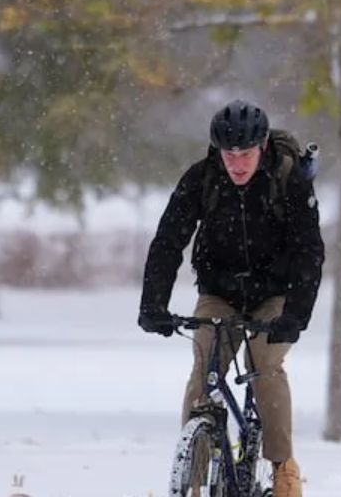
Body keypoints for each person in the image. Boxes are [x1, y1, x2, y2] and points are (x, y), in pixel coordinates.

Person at [137, 99, 324, 497]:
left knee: (264, 363)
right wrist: (152, 304)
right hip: (219, 292)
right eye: (229, 155)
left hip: (274, 295)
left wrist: (295, 315)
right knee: (205, 366)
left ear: (263, 148)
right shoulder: (201, 179)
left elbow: (310, 251)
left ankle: (282, 466)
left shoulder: (289, 179)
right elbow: (168, 241)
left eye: (246, 154)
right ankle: (195, 474)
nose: (237, 164)